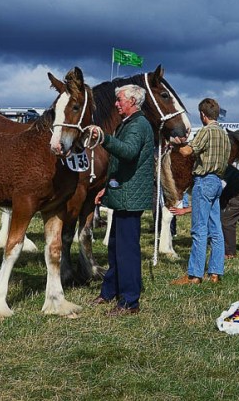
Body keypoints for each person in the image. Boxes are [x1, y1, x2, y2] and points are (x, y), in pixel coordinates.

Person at [90, 84, 154, 315]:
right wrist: (106, 188)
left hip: (130, 197)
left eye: (119, 100)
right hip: (123, 193)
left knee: (126, 251)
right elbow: (120, 164)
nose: (116, 103)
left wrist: (103, 138)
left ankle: (129, 302)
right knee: (116, 248)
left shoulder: (138, 125)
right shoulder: (128, 123)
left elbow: (127, 152)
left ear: (133, 102)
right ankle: (110, 292)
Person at [171, 98, 230, 285]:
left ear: (203, 115)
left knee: (199, 229)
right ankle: (215, 273)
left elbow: (188, 151)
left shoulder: (207, 131)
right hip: (217, 182)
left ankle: (195, 275)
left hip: (204, 181)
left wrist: (177, 143)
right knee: (216, 230)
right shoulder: (224, 134)